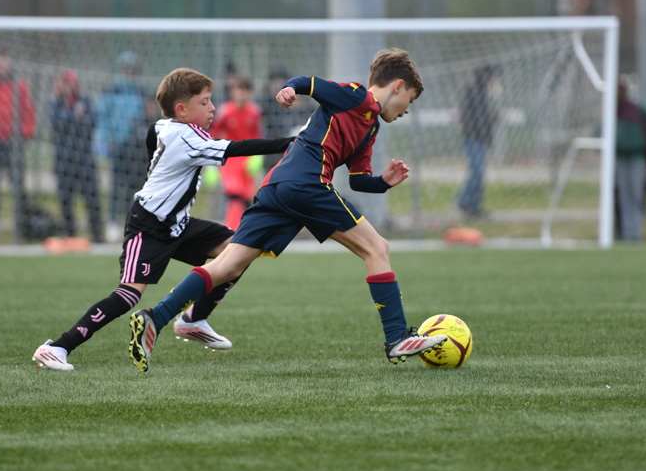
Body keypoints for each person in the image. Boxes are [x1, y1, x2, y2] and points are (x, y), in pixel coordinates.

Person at [128, 48, 448, 373]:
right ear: (397, 86)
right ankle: (396, 337)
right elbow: (310, 83)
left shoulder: (370, 127)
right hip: (307, 183)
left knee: (228, 265)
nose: (407, 109)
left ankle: (155, 317)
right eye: (410, 99)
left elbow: (359, 179)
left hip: (277, 186)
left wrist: (384, 182)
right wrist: (290, 88)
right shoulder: (355, 96)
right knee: (377, 248)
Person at [32, 68, 293, 370]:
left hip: (177, 223)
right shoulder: (189, 139)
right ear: (182, 110)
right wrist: (290, 143)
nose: (212, 108)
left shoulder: (165, 125)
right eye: (205, 102)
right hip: (149, 225)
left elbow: (151, 134)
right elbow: (238, 148)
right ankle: (57, 347)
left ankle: (194, 320)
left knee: (239, 250)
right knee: (128, 295)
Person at [95, 51, 160, 240]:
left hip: (136, 150)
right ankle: (113, 222)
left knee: (137, 188)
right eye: (127, 69)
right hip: (117, 147)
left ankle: (136, 223)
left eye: (133, 69)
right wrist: (106, 141)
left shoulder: (142, 93)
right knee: (116, 186)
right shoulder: (111, 91)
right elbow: (103, 119)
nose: (129, 73)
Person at [0, 48, 36, 239]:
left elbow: (28, 111)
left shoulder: (19, 85)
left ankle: (23, 221)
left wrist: (26, 133)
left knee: (18, 183)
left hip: (12, 142)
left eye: (5, 61)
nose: (1, 65)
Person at [47, 69, 104, 243]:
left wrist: (73, 119)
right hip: (63, 160)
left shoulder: (85, 101)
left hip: (85, 159)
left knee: (92, 198)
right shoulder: (55, 104)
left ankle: (97, 236)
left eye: (66, 83)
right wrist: (75, 117)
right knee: (65, 199)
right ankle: (70, 235)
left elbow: (91, 123)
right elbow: (57, 123)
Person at [209, 76, 263, 229]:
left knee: (246, 196)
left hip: (247, 162)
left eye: (245, 90)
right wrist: (211, 164)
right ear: (232, 92)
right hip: (230, 160)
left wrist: (257, 157)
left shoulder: (255, 112)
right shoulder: (224, 112)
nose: (242, 94)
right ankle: (233, 231)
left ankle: (244, 229)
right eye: (239, 90)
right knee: (235, 195)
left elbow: (258, 135)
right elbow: (213, 136)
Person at [614, 79, 646, 241]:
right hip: (620, 159)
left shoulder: (637, 109)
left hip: (638, 158)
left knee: (637, 194)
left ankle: (636, 233)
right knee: (624, 197)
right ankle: (627, 234)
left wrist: (642, 143)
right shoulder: (613, 111)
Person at [456, 65, 499, 219]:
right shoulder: (473, 90)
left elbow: (483, 114)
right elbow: (470, 114)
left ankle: (473, 205)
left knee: (478, 172)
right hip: (472, 136)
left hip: (480, 137)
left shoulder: (484, 91)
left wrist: (494, 117)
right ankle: (464, 203)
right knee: (477, 171)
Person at [259, 66, 309, 171]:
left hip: (292, 149)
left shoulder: (296, 101)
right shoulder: (265, 102)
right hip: (271, 149)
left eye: (280, 80)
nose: (277, 84)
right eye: (275, 81)